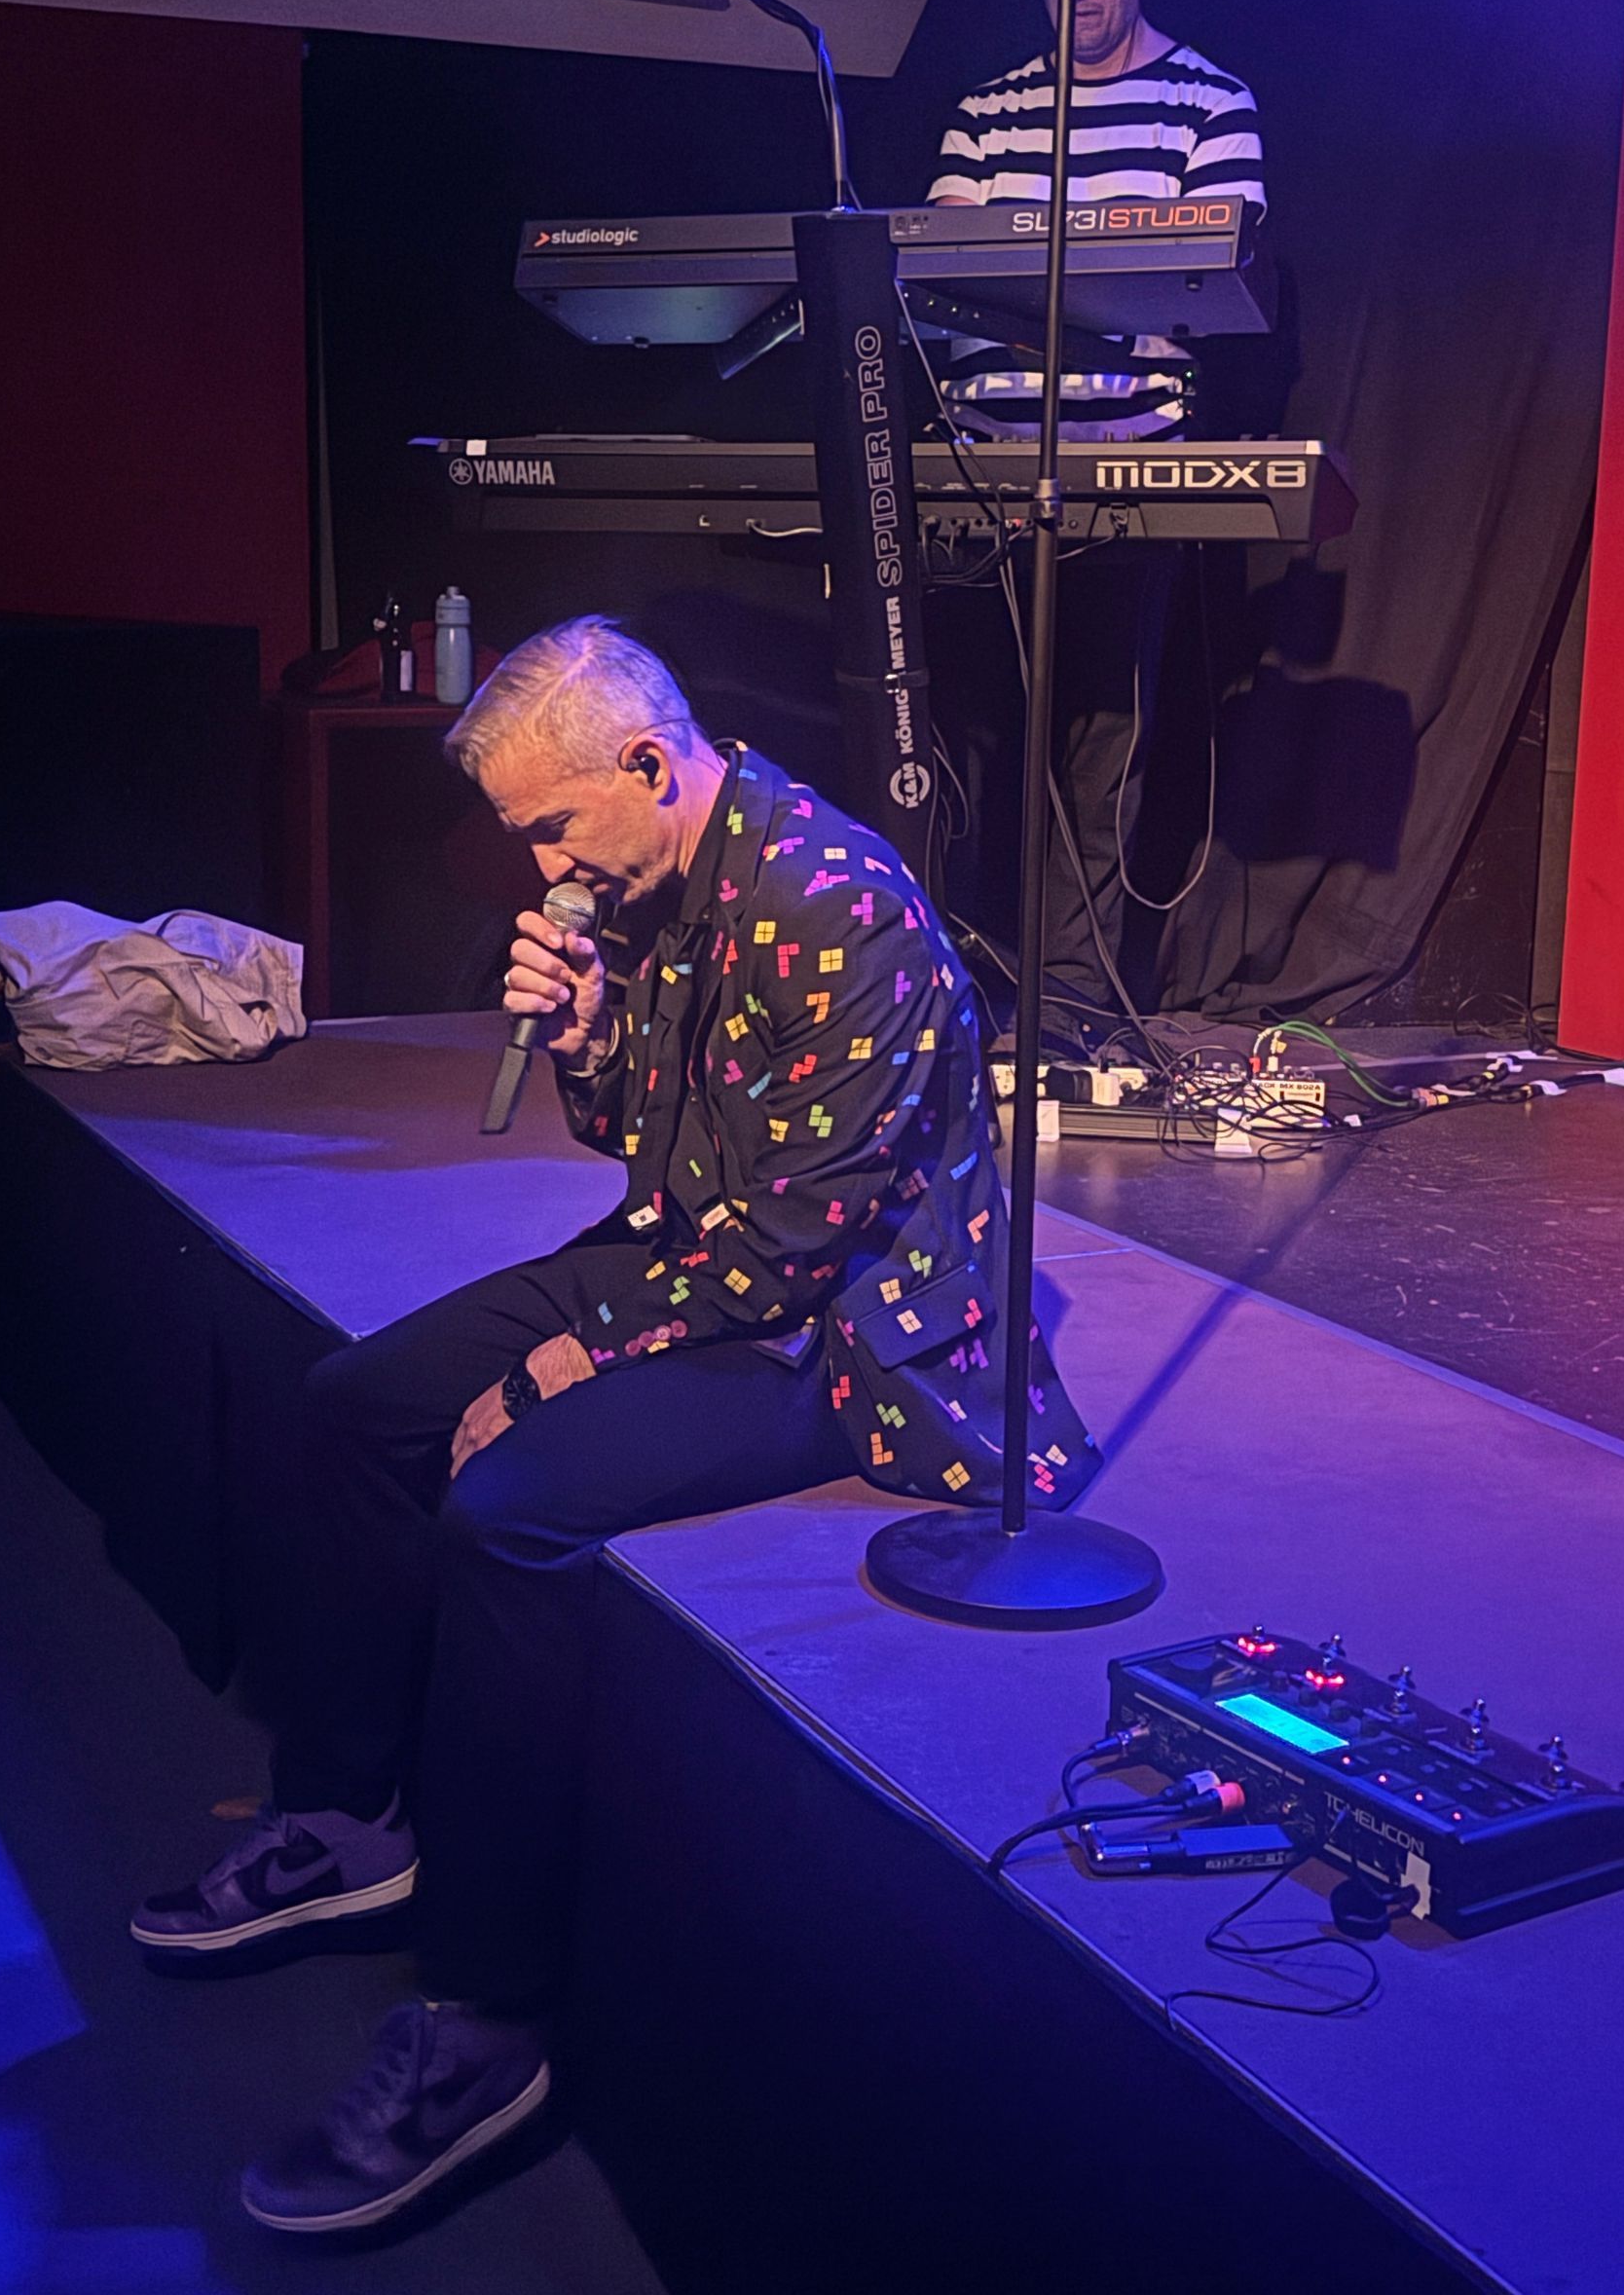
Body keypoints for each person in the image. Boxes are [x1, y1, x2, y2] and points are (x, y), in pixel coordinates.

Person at [131, 618, 1098, 2235]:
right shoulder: (664, 884)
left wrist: (573, 1362)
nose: (543, 865)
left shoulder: (839, 904)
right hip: (696, 1258)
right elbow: (654, 1145)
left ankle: (485, 2019)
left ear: (649, 764)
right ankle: (348, 1819)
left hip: (849, 1327)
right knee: (355, 1405)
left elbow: (799, 1239)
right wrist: (588, 1040)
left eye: (552, 826)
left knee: (509, 1508)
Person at [927, 0, 1267, 1013]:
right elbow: (946, 276)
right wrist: (1099, 273)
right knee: (974, 746)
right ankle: (959, 994)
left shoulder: (1210, 106)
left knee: (1102, 752)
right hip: (985, 473)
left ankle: (1071, 1012)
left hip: (1125, 476)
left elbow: (1206, 275)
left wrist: (1060, 277)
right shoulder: (989, 114)